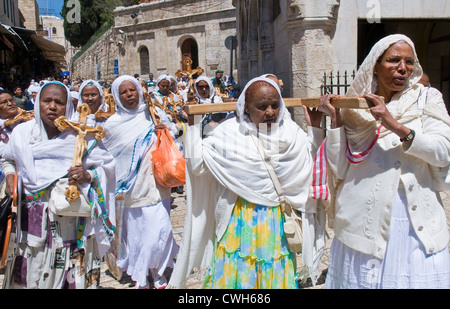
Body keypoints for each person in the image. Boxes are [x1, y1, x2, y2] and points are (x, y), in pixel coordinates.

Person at [318, 34, 450, 289]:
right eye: (394, 60)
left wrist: (394, 125)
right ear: (375, 66)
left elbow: (444, 151)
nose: (403, 68)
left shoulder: (427, 99)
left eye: (409, 62)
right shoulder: (354, 107)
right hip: (362, 221)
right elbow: (341, 168)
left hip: (413, 221)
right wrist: (335, 121)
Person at [168, 76, 325, 289]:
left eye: (275, 105)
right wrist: (194, 126)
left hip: (276, 223)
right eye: (261, 106)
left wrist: (315, 129)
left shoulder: (291, 133)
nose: (270, 112)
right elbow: (197, 167)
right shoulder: (228, 133)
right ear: (245, 108)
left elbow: (311, 166)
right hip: (239, 219)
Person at [1, 81, 116, 289]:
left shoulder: (81, 136)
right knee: (29, 275)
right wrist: (10, 175)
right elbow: (6, 158)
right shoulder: (22, 134)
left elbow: (107, 166)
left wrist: (87, 175)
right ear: (37, 103)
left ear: (68, 107)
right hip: (31, 226)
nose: (52, 107)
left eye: (59, 102)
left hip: (70, 226)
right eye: (47, 101)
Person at [102, 75, 179, 289]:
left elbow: (172, 131)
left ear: (139, 90)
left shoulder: (153, 114)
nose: (129, 95)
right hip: (130, 188)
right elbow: (106, 156)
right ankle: (142, 273)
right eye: (124, 92)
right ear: (117, 96)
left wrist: (163, 131)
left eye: (132, 90)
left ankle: (158, 269)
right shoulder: (112, 125)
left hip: (155, 182)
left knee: (160, 230)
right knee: (136, 234)